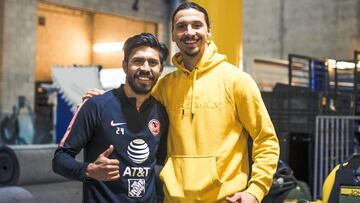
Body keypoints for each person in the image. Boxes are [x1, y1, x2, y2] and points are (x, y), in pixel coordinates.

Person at [84, 2, 280, 203]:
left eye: (197, 25)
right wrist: (105, 99)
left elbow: (265, 140)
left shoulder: (237, 81)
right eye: (181, 26)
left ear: (209, 31)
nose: (189, 32)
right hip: (174, 199)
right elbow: (133, 104)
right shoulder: (165, 86)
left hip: (226, 199)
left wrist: (255, 191)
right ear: (173, 35)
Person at [52, 33, 169, 203]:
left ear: (160, 69)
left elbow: (160, 164)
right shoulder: (96, 106)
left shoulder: (161, 113)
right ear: (125, 66)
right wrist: (89, 170)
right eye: (137, 61)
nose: (145, 68)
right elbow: (60, 159)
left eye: (153, 62)